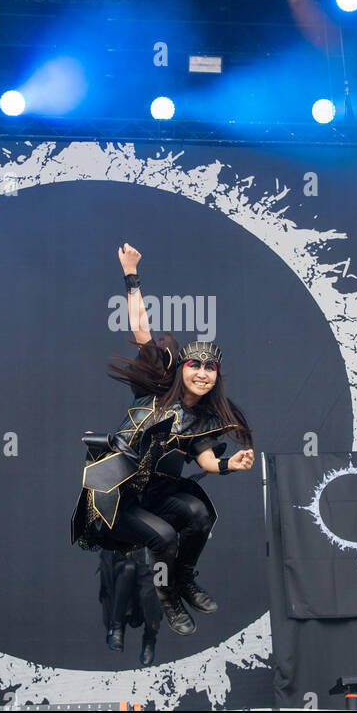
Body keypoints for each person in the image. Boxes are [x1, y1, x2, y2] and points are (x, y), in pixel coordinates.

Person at [71, 244, 254, 636]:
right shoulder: (153, 391)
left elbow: (204, 459)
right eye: (195, 365)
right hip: (116, 495)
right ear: (182, 367)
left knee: (202, 514)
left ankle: (183, 580)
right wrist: (131, 275)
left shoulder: (204, 419)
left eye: (211, 368)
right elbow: (141, 330)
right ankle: (168, 597)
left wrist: (228, 465)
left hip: (154, 492)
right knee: (165, 537)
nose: (203, 373)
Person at [98, 548, 162, 666]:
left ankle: (150, 638)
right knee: (127, 569)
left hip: (150, 560)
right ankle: (116, 628)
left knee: (150, 593)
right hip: (122, 558)